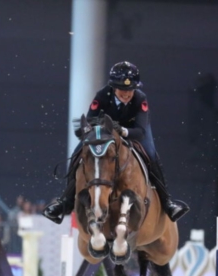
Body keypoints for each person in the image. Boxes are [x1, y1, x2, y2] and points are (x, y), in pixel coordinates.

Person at [43, 61, 189, 224]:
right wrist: (106, 127)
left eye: (130, 90)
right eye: (122, 90)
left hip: (135, 130)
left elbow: (140, 132)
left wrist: (123, 131)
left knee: (152, 155)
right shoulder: (102, 95)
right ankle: (65, 201)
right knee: (78, 152)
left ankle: (168, 202)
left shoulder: (140, 98)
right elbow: (91, 119)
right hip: (107, 129)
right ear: (113, 87)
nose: (127, 94)